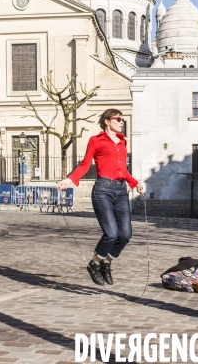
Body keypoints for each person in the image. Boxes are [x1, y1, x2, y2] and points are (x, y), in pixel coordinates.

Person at [57, 109, 144, 286]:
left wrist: (135, 183)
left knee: (126, 234)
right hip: (103, 190)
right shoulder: (96, 141)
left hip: (120, 191)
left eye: (122, 119)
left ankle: (106, 264)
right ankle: (95, 263)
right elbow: (85, 164)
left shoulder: (122, 142)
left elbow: (123, 170)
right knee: (111, 233)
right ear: (107, 121)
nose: (122, 122)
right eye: (118, 119)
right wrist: (69, 179)